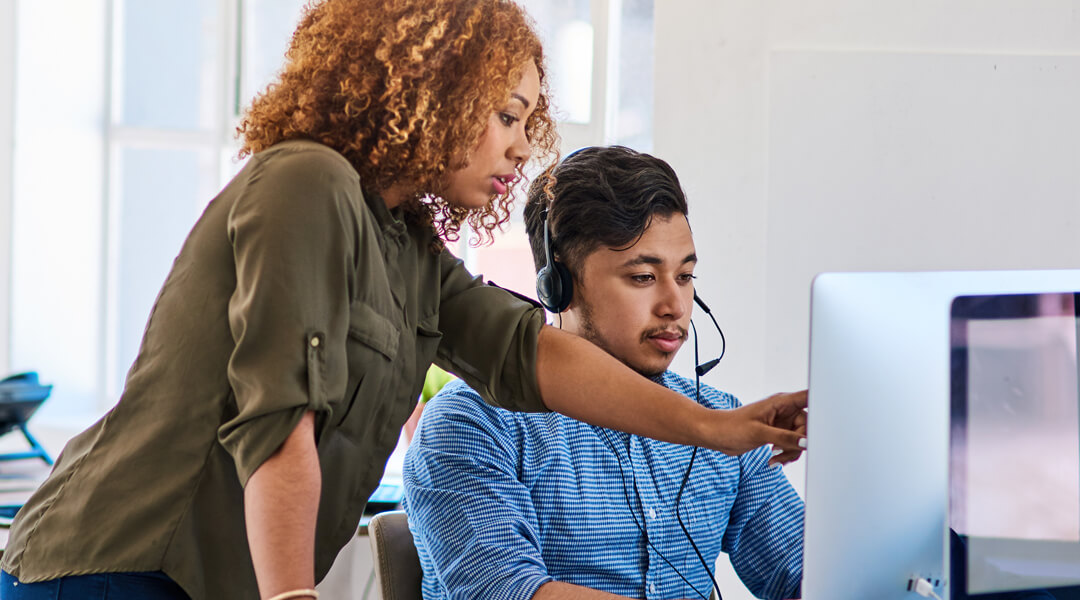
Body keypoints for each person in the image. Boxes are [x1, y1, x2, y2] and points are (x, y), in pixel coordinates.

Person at [0, 3, 806, 600]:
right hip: (117, 567)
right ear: (433, 91)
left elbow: (528, 353)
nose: (523, 148)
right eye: (505, 116)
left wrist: (721, 428)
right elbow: (280, 423)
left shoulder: (408, 244)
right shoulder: (307, 182)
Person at [403, 146, 806, 600]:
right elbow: (507, 592)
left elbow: (801, 573)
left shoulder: (721, 419)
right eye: (643, 278)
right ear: (559, 286)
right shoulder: (475, 423)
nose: (675, 306)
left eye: (686, 276)